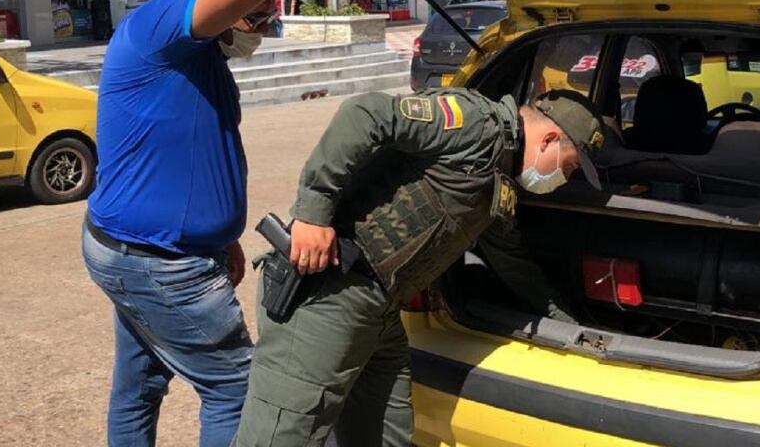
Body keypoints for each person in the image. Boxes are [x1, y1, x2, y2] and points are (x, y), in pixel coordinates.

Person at [80, 0, 356, 447]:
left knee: (139, 383)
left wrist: (222, 238)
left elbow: (196, 155)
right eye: (255, 18)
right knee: (236, 386)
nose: (262, 29)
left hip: (144, 251)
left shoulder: (203, 60)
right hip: (156, 261)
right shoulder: (157, 27)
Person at [235, 87, 604, 446]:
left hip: (379, 310)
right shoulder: (475, 123)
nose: (564, 179)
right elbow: (365, 113)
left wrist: (570, 328)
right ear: (549, 140)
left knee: (389, 437)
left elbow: (512, 262)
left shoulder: (498, 173)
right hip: (327, 293)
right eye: (569, 166)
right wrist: (313, 213)